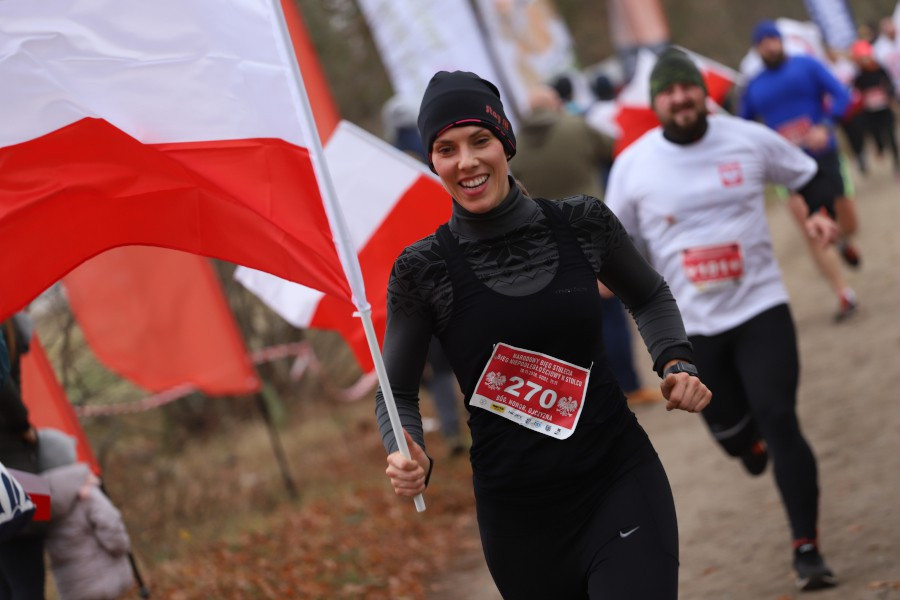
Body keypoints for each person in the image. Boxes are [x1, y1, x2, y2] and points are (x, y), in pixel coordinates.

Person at [376, 70, 711, 599]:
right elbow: (394, 391)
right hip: (519, 520)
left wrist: (675, 361)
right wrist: (406, 447)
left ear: (505, 141)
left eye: (479, 140)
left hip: (616, 481)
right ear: (432, 160)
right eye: (446, 148)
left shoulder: (582, 222)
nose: (466, 161)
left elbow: (648, 295)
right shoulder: (422, 269)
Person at [605, 48, 839, 592]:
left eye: (688, 88)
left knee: (781, 417)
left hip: (761, 307)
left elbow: (808, 173)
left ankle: (807, 546)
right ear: (657, 102)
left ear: (703, 92)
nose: (681, 99)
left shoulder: (747, 138)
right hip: (688, 328)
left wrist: (822, 214)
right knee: (733, 433)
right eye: (668, 92)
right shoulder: (633, 164)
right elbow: (618, 242)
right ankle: (744, 442)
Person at [512, 84, 661, 406]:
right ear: (555, 105)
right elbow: (611, 147)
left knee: (574, 314)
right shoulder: (574, 126)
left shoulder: (515, 145)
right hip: (591, 226)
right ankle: (632, 386)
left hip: (547, 237)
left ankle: (597, 390)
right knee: (610, 309)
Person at [741, 20, 862, 322]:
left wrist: (825, 125)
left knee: (847, 220)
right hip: (788, 170)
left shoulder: (807, 65)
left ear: (782, 41)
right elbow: (740, 128)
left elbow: (843, 95)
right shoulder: (754, 87)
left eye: (774, 40)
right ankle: (843, 294)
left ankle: (844, 240)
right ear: (757, 49)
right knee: (812, 231)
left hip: (824, 155)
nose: (770, 46)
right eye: (763, 42)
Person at [40, 431, 134, 600]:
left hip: (72, 587)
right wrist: (120, 547)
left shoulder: (40, 500)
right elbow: (110, 523)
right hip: (105, 578)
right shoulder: (87, 491)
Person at [0, 315, 45, 599]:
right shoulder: (10, 319)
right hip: (16, 459)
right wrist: (25, 424)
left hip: (14, 463)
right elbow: (9, 396)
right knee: (29, 585)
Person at [850, 39, 900, 177]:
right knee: (876, 135)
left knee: (891, 135)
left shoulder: (880, 69)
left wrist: (888, 94)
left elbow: (890, 84)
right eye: (861, 58)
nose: (865, 61)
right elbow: (855, 92)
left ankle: (897, 164)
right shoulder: (859, 76)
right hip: (870, 113)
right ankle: (880, 148)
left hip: (885, 109)